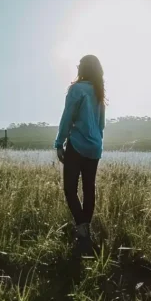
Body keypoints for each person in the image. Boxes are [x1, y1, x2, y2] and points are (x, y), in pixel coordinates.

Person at [54, 54, 106, 252]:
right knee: (89, 189)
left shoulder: (77, 89)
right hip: (95, 147)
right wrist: (97, 143)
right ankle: (86, 232)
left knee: (70, 188)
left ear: (81, 68)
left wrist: (59, 143)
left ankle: (82, 230)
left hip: (77, 144)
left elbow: (67, 117)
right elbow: (101, 124)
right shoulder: (99, 92)